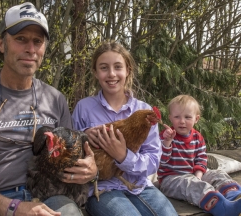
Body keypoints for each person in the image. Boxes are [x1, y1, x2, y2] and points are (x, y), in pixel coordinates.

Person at [0, 2, 97, 216]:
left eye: (37, 41)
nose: (30, 49)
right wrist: (13, 208)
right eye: (20, 39)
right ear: (2, 44)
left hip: (47, 198)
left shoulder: (55, 99)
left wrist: (91, 171)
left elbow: (74, 161)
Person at [72, 41, 177, 216]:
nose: (111, 74)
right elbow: (69, 149)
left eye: (118, 67)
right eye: (104, 67)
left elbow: (153, 160)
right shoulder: (84, 108)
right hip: (102, 189)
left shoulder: (143, 111)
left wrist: (123, 156)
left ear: (128, 70)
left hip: (138, 186)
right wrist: (82, 137)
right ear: (95, 72)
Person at [158, 95, 241, 216]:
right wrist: (167, 142)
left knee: (216, 173)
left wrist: (199, 174)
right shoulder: (166, 137)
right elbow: (161, 160)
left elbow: (201, 158)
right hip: (171, 179)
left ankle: (232, 194)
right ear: (170, 118)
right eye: (177, 117)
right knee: (192, 185)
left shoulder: (197, 137)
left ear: (196, 119)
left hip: (194, 174)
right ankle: (221, 207)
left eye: (187, 117)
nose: (182, 121)